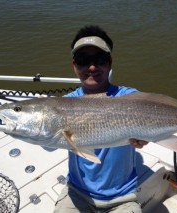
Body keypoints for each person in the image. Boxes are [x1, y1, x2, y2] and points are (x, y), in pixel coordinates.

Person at [54, 25, 148, 213]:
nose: (92, 67)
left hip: (123, 198)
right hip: (77, 193)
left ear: (110, 62)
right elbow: (47, 144)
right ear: (74, 65)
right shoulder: (65, 103)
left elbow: (153, 122)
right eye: (83, 60)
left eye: (100, 59)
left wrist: (146, 136)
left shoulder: (129, 97)